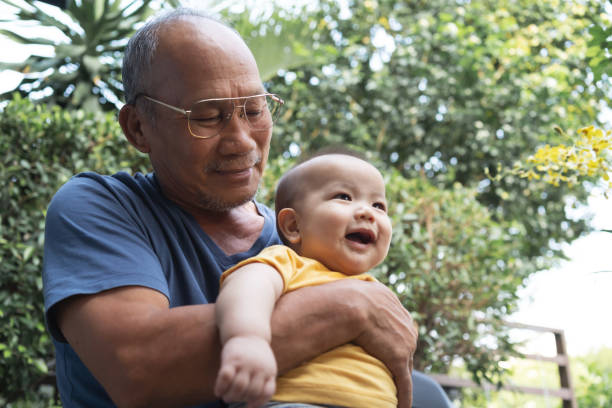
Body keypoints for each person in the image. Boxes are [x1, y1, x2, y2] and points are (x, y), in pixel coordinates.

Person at [41, 8, 418, 408]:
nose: (241, 141)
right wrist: (351, 306)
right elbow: (138, 366)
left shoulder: (305, 237)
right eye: (206, 117)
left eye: (255, 110)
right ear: (138, 128)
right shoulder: (102, 207)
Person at [215, 151, 404, 408]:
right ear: (293, 225)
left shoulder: (376, 293)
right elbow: (245, 291)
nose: (368, 213)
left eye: (378, 205)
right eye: (344, 197)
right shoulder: (288, 262)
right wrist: (248, 339)